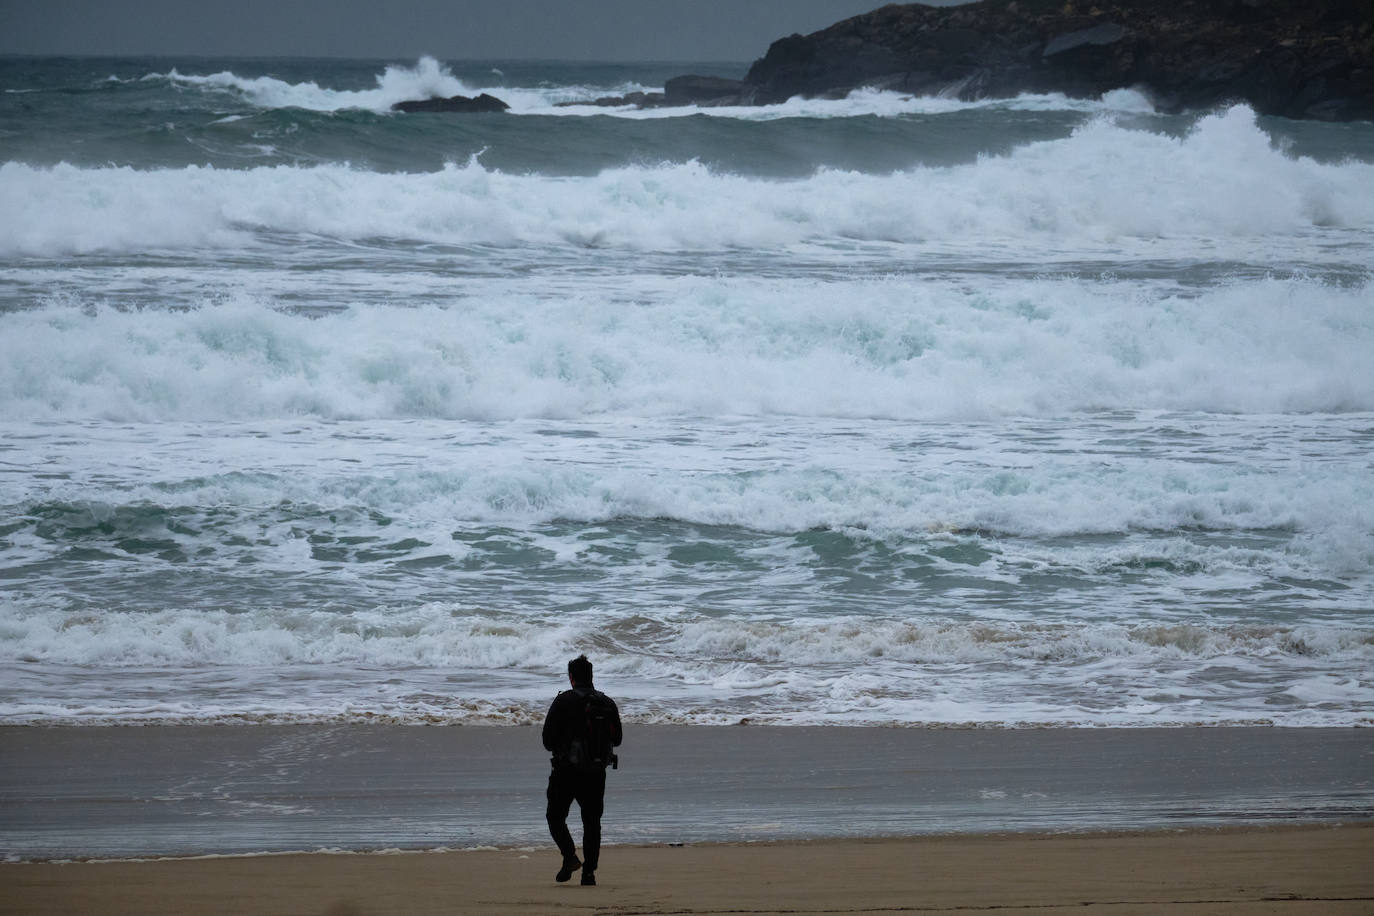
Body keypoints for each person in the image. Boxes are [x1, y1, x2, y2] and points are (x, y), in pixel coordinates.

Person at [542, 654, 623, 886]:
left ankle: (569, 857)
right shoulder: (606, 702)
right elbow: (617, 739)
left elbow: (547, 740)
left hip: (565, 771)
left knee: (555, 817)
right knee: (592, 821)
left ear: (571, 678)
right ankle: (589, 873)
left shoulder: (563, 701)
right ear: (591, 676)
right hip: (596, 771)